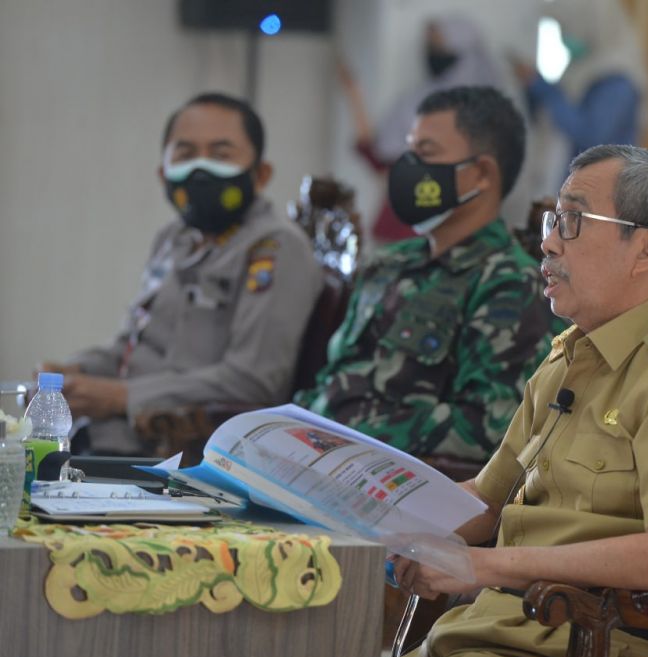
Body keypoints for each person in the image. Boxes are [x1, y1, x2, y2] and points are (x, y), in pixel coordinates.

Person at [391, 145, 648, 657]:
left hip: (596, 645)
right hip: (493, 632)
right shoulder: (572, 355)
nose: (547, 243)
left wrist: (483, 568)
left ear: (647, 248)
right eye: (554, 219)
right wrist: (362, 519)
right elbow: (486, 500)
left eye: (571, 221)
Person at [40, 92, 324, 455]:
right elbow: (132, 346)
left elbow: (252, 382)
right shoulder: (174, 239)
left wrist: (120, 397)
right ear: (163, 174)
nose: (201, 170)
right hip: (107, 438)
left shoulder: (274, 249)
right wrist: (71, 373)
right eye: (186, 154)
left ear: (261, 173)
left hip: (180, 452)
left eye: (221, 154)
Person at [297, 86, 554, 463]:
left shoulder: (510, 283)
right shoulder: (386, 264)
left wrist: (352, 434)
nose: (407, 168)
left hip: (398, 485)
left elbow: (489, 427)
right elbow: (335, 380)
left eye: (426, 154)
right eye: (409, 151)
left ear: (481, 174)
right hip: (317, 459)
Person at [339, 15, 506, 243]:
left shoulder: (487, 113)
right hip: (399, 232)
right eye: (430, 46)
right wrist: (354, 94)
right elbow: (378, 157)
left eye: (439, 46)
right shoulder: (414, 102)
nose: (432, 53)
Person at [512, 0, 648, 195]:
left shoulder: (618, 83)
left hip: (601, 195)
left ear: (591, 25)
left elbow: (593, 137)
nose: (564, 36)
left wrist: (546, 90)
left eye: (567, 27)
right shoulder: (580, 71)